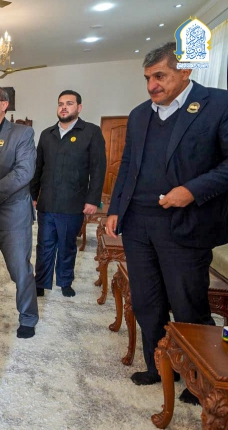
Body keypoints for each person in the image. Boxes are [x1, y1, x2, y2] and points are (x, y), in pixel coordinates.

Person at [106, 42, 228, 401]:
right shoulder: (139, 114)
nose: (151, 86)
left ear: (185, 71)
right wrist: (115, 208)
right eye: (147, 78)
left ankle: (198, 376)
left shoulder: (217, 104)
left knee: (188, 304)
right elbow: (128, 165)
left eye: (159, 76)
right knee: (147, 303)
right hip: (138, 224)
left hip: (186, 223)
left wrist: (191, 190)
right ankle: (159, 366)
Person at [0, 84, 38, 338]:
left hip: (12, 215)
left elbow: (24, 172)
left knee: (19, 270)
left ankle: (28, 317)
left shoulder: (23, 133)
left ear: (4, 104)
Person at [30, 90, 106, 297]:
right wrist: (33, 195)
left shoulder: (91, 132)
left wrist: (92, 200)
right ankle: (40, 282)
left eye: (69, 103)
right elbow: (38, 168)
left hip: (73, 203)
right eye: (60, 103)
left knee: (66, 246)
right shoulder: (47, 134)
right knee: (44, 245)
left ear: (79, 107)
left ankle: (65, 282)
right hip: (47, 203)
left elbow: (98, 169)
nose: (64, 107)